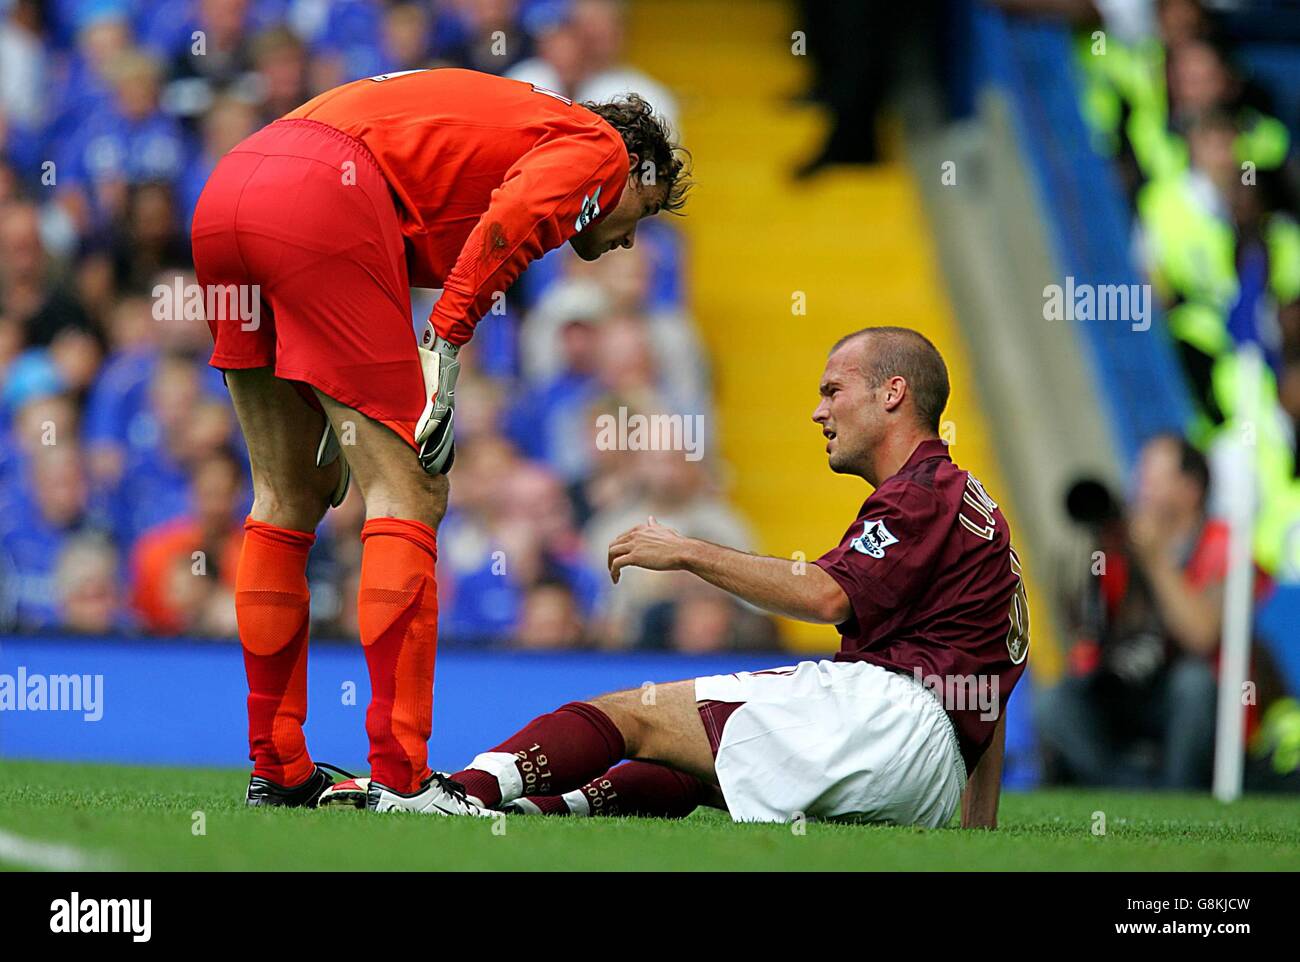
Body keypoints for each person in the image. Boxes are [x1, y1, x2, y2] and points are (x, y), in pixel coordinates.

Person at [190, 66, 688, 812]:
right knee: (412, 488)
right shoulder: (598, 147)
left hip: (232, 189)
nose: (626, 241)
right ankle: (401, 776)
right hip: (321, 195)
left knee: (288, 495)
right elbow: (517, 214)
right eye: (642, 212)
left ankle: (279, 767)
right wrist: (449, 338)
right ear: (636, 165)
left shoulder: (518, 123)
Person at [320, 327, 1029, 827]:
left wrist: (688, 552)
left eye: (832, 389)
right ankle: (536, 807)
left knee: (636, 712)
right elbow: (997, 673)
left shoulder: (918, 494)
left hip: (888, 720)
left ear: (893, 393)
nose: (818, 410)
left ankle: (452, 792)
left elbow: (824, 594)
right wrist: (977, 826)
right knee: (698, 767)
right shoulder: (978, 509)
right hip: (931, 778)